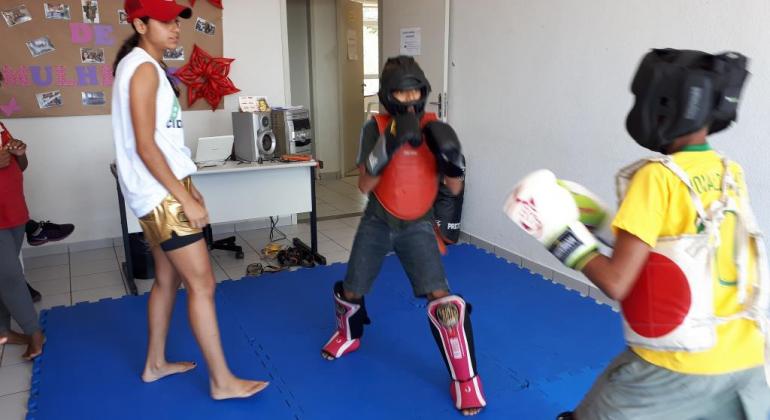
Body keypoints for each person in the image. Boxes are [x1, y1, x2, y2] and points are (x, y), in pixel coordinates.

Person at [505, 48, 769, 419]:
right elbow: (686, 245)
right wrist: (601, 219)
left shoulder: (655, 177)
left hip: (675, 366)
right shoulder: (730, 173)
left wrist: (556, 233)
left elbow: (618, 282)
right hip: (747, 360)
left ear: (662, 105)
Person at [111, 0, 267, 399]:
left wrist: (189, 184)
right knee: (203, 284)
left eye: (176, 20)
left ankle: (154, 364)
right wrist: (186, 198)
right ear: (140, 23)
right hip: (161, 197)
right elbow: (146, 147)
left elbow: (161, 141)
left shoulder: (144, 66)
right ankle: (221, 381)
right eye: (163, 21)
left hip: (159, 192)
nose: (174, 27)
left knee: (166, 280)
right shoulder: (143, 68)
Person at [321, 56, 486, 416]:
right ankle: (349, 334)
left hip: (419, 225)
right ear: (388, 95)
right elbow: (365, 185)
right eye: (401, 91)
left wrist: (453, 161)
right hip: (378, 220)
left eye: (415, 90)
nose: (409, 98)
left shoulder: (435, 127)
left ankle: (465, 379)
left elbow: (454, 190)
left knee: (442, 298)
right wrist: (389, 144)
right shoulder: (375, 127)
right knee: (353, 288)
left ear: (423, 92)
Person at [0, 91, 45, 360]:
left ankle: (2, 330)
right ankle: (34, 333)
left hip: (13, 210)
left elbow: (20, 166)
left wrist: (20, 153)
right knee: (10, 276)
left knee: (2, 275)